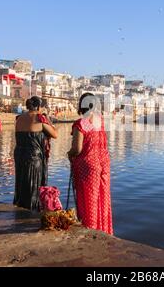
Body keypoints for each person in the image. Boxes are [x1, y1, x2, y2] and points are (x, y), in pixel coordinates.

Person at [68, 93, 113, 235]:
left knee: (89, 200)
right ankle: (103, 230)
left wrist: (69, 154)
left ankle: (90, 231)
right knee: (102, 198)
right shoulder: (100, 122)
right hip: (104, 164)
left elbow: (77, 149)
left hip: (88, 167)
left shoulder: (81, 124)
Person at [14, 96, 58, 211]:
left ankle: (21, 205)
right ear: (39, 107)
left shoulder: (19, 118)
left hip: (19, 154)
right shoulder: (40, 119)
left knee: (22, 181)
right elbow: (55, 134)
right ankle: (32, 208)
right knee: (34, 184)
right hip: (33, 156)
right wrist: (47, 118)